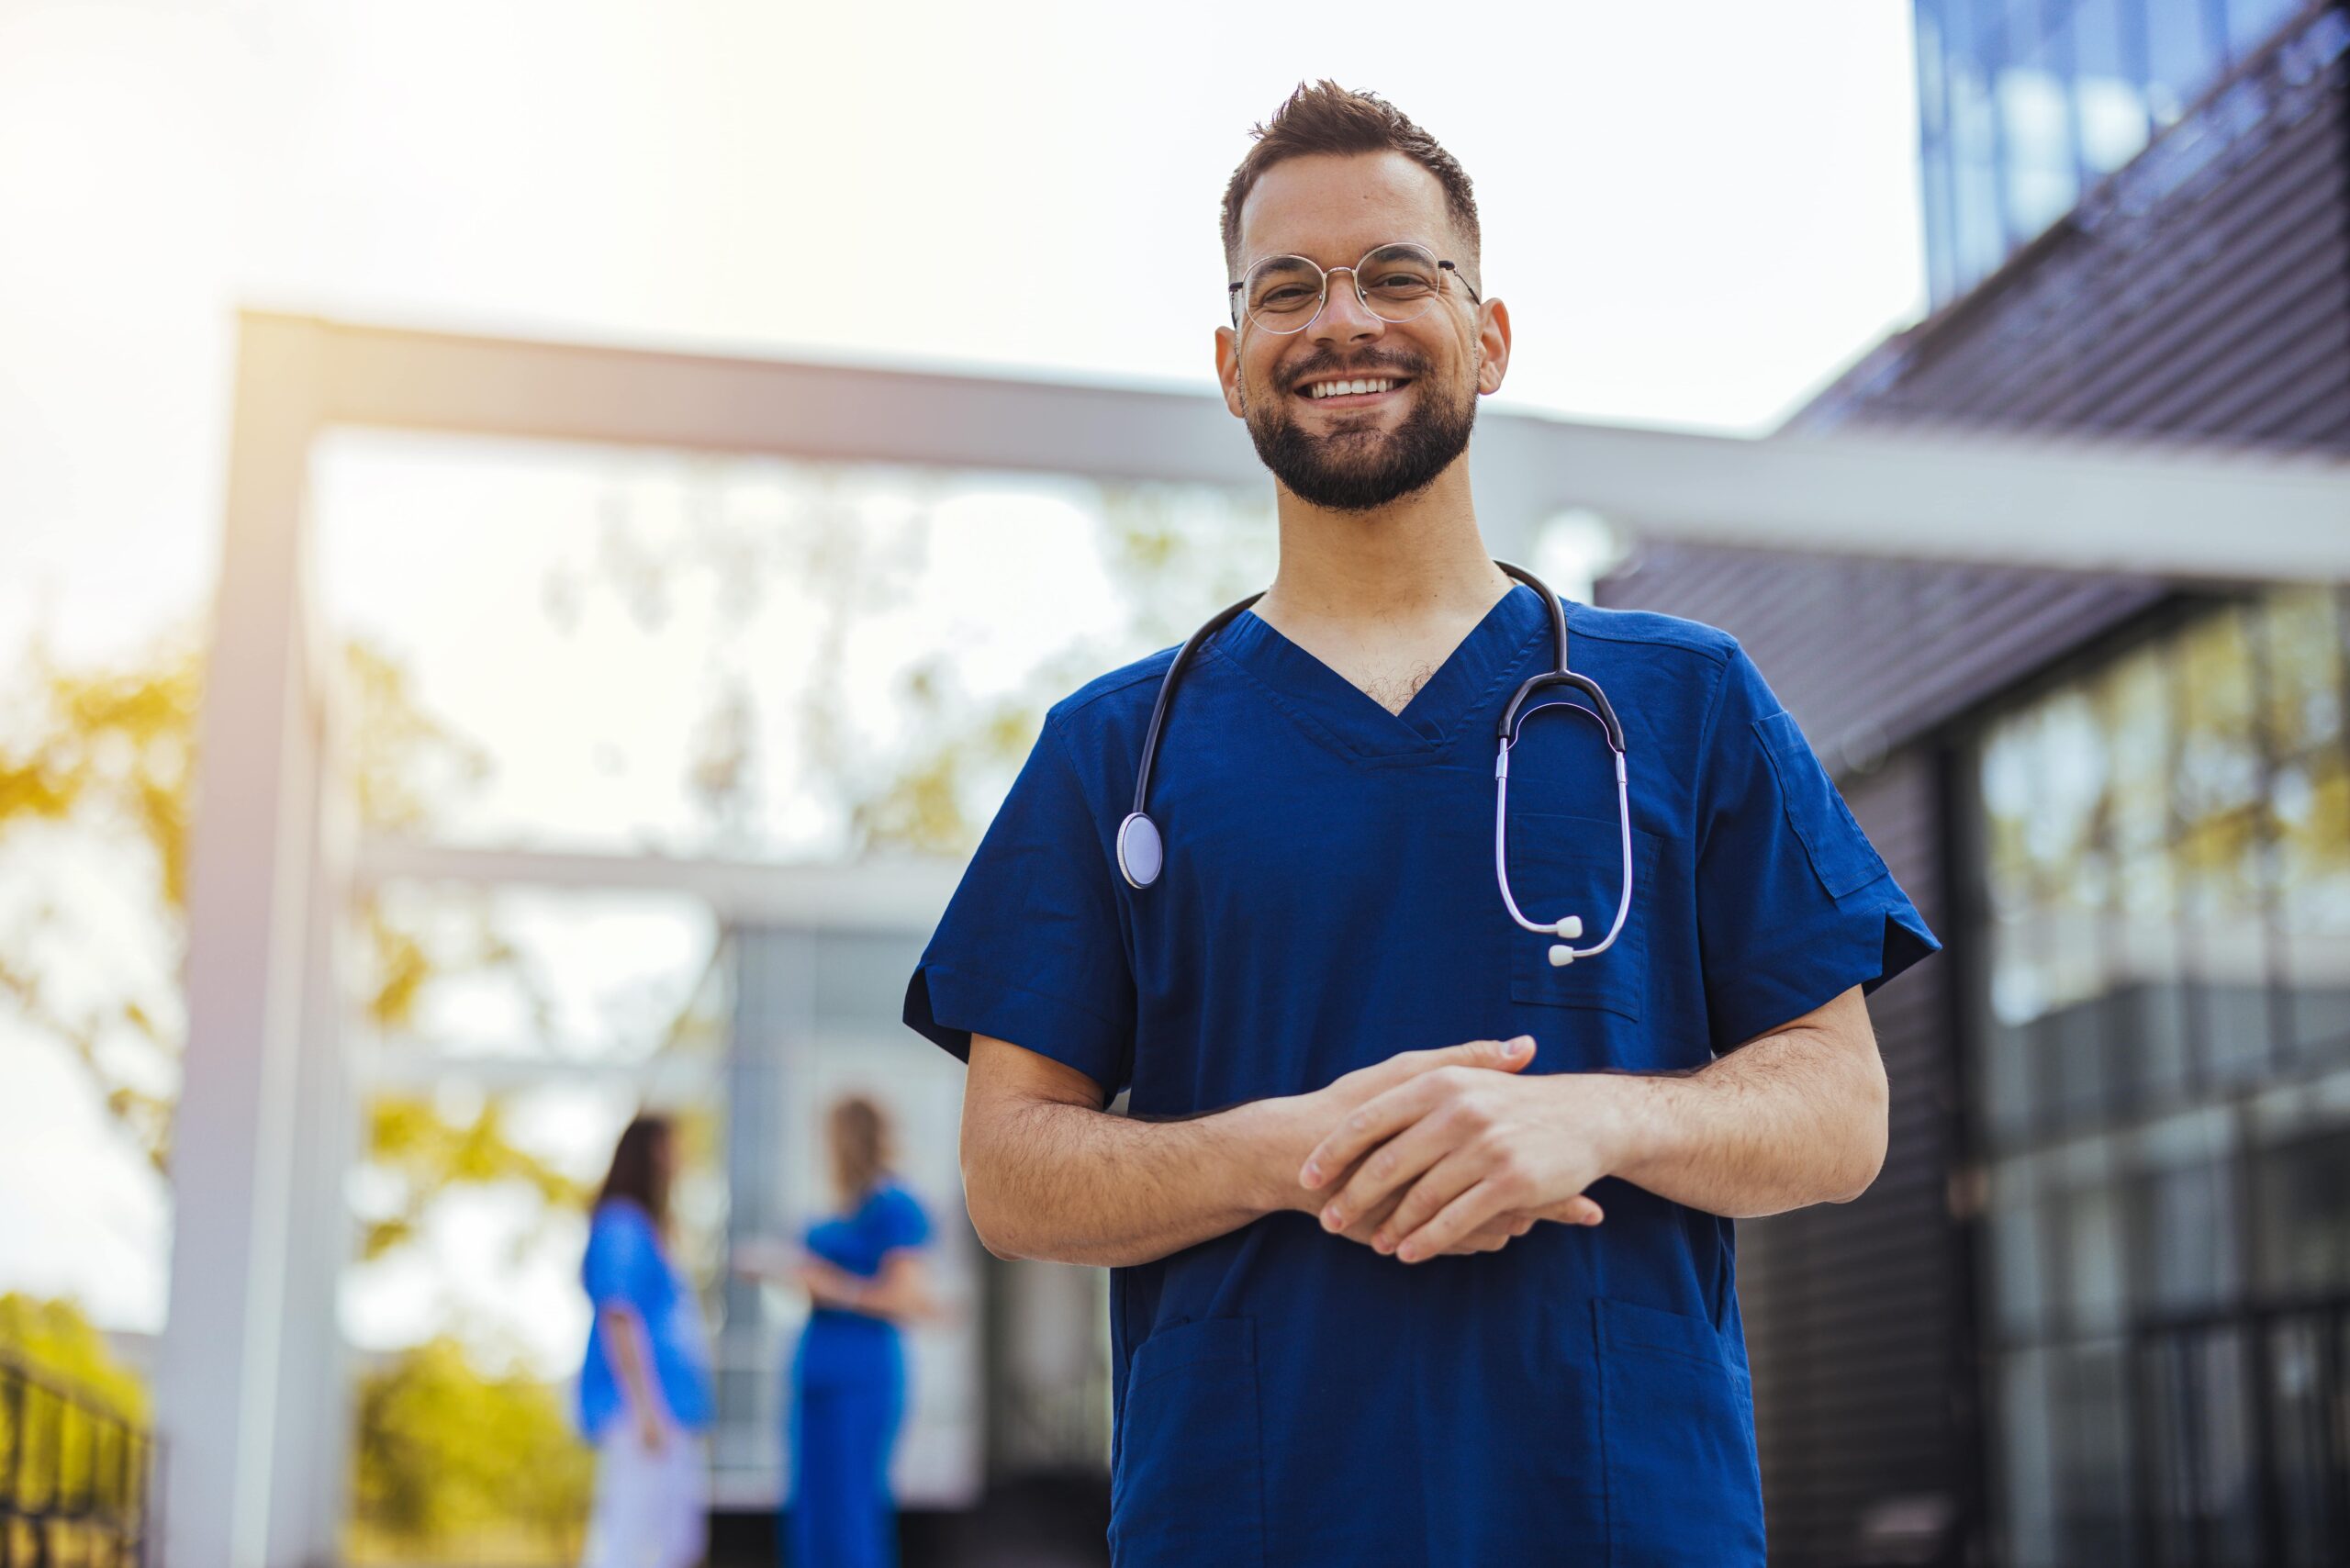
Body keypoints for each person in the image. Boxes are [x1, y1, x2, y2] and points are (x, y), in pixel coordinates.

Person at [901, 82, 1943, 1566]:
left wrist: (1594, 1113)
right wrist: (1284, 1149)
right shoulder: (1114, 752)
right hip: (1253, 1522)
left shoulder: (1687, 699)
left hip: (1619, 1521)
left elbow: (1843, 1114)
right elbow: (1011, 1172)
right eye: (1287, 289)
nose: (1344, 322)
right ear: (1230, 361)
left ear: (1490, 334)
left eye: (1398, 273)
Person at [750, 1094, 935, 1568]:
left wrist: (832, 1286)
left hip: (862, 1377)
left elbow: (905, 1298)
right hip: (814, 1374)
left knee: (853, 1514)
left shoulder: (894, 1205)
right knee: (810, 1515)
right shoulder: (837, 1211)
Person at [577, 1114, 713, 1568]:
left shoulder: (649, 1228)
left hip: (664, 1410)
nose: (682, 1160)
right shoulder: (623, 1225)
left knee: (673, 1543)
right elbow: (620, 1317)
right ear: (652, 1152)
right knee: (631, 1544)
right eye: (674, 1147)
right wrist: (645, 1408)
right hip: (641, 1411)